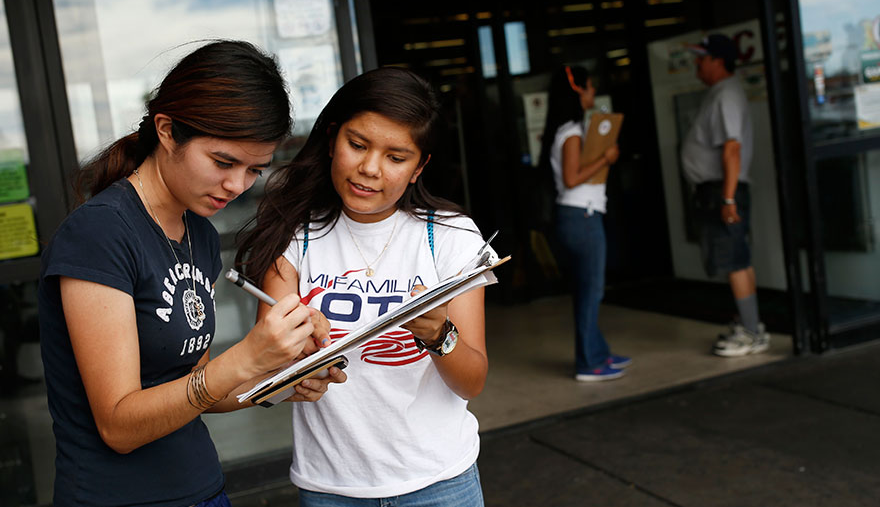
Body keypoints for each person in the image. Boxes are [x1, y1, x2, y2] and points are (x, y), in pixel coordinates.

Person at [37, 40, 345, 507]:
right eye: (223, 162)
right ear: (166, 130)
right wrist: (244, 357)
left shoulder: (196, 232)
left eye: (253, 171)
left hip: (202, 488)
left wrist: (281, 378)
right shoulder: (100, 234)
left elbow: (199, 386)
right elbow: (119, 426)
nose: (237, 185)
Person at [236, 67, 493, 506]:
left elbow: (471, 382)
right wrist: (297, 366)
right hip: (331, 488)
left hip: (440, 481)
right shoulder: (294, 235)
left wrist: (437, 334)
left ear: (419, 168)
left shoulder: (451, 237)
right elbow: (266, 376)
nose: (370, 169)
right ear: (333, 138)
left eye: (396, 158)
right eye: (357, 145)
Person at [539, 65, 630, 382]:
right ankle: (589, 363)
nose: (593, 93)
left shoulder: (564, 129)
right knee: (591, 291)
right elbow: (573, 177)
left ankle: (598, 352)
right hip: (583, 216)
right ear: (578, 90)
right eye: (590, 87)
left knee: (587, 290)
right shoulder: (573, 132)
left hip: (577, 216)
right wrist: (606, 159)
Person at [682, 33, 769, 357]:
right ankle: (750, 324)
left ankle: (750, 332)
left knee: (735, 262)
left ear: (718, 61)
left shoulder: (725, 96)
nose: (697, 64)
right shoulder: (720, 93)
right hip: (722, 188)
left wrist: (728, 198)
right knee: (738, 260)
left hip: (723, 189)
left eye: (702, 59)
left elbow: (732, 148)